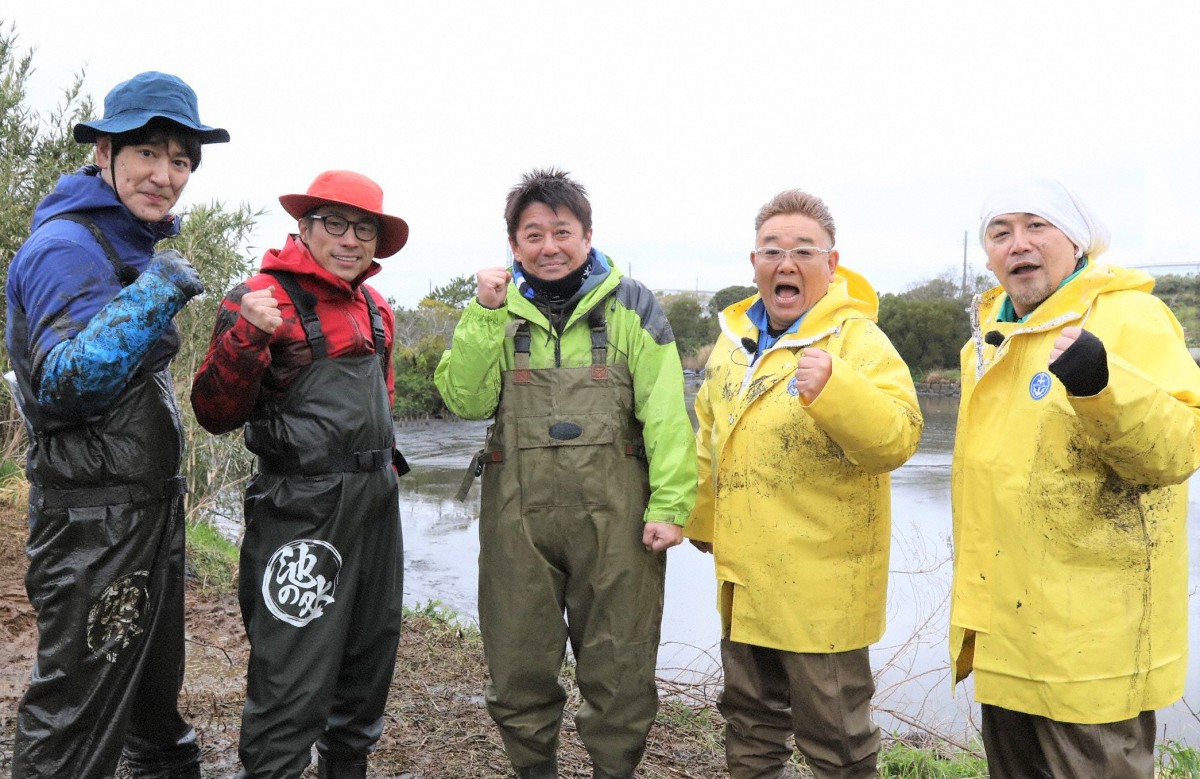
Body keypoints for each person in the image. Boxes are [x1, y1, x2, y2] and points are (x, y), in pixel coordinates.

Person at [434, 167, 697, 779]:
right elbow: (465, 401)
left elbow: (665, 414)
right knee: (518, 664)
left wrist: (671, 505)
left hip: (620, 523)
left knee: (620, 667)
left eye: (561, 231)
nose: (548, 247)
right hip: (516, 521)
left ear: (587, 235)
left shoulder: (633, 305)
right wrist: (482, 314)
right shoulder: (496, 311)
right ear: (513, 244)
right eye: (532, 235)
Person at [3, 71, 227, 779]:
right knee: (75, 705)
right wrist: (158, 290)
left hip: (143, 513)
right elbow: (66, 381)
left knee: (151, 698)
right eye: (147, 154)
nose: (166, 175)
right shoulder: (66, 247)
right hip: (92, 522)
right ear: (104, 153)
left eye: (182, 159)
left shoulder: (125, 240)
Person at [951, 177, 1200, 778]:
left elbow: (1179, 449)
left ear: (1077, 241)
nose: (1018, 244)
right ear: (987, 255)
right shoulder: (986, 344)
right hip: (1006, 634)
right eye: (1000, 232)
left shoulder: (1132, 316)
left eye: (1037, 226)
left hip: (1092, 648)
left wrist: (1101, 383)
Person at [685, 189, 922, 779]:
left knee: (837, 739)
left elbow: (898, 440)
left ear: (831, 264)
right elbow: (709, 436)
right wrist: (701, 520)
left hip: (824, 588)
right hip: (745, 575)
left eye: (802, 251)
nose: (785, 264)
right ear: (754, 261)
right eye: (772, 250)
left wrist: (838, 390)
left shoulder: (859, 342)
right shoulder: (732, 341)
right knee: (749, 726)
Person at [190, 170, 409, 779]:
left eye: (363, 228)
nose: (349, 239)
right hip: (298, 508)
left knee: (366, 670)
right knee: (290, 677)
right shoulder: (258, 297)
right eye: (334, 224)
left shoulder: (377, 308)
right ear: (304, 229)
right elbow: (212, 412)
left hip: (374, 506)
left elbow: (382, 408)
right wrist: (246, 338)